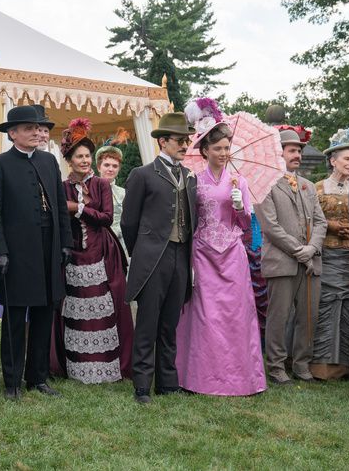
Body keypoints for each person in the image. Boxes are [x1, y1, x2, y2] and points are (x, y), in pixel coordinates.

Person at [0, 104, 72, 399]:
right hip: (16, 253)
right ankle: (12, 382)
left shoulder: (49, 161)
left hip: (48, 249)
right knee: (14, 317)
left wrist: (65, 243)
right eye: (29, 128)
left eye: (39, 128)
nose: (37, 132)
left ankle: (38, 377)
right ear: (12, 133)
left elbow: (60, 205)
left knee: (44, 314)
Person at [174, 121, 266, 396]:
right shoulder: (194, 181)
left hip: (232, 253)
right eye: (218, 148)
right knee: (204, 315)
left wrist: (240, 207)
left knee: (235, 315)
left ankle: (241, 378)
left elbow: (245, 225)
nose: (225, 152)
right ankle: (199, 378)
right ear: (205, 150)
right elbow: (189, 220)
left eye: (227, 147)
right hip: (202, 252)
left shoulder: (241, 182)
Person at [121, 112, 197, 404]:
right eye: (179, 140)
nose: (184, 145)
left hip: (181, 255)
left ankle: (168, 381)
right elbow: (129, 222)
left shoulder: (189, 177)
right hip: (153, 257)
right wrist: (140, 252)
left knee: (170, 323)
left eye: (187, 140)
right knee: (148, 323)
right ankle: (142, 385)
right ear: (163, 141)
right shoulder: (143, 174)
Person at [51, 118, 132, 384]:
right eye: (80, 156)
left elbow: (107, 217)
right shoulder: (62, 188)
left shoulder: (101, 185)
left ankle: (107, 365)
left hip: (102, 253)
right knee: (75, 307)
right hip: (73, 255)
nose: (85, 160)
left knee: (105, 306)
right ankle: (78, 366)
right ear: (70, 160)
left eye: (87, 156)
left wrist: (79, 208)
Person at [255, 129, 326, 384]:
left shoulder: (307, 186)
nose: (297, 155)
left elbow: (320, 222)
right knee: (279, 316)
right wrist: (300, 252)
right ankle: (275, 367)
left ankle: (302, 364)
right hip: (282, 262)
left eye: (299, 151)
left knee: (308, 316)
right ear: (279, 153)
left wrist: (312, 249)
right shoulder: (265, 185)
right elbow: (270, 227)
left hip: (310, 262)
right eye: (292, 151)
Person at [310, 128, 349, 380]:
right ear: (333, 160)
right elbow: (308, 220)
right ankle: (320, 364)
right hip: (326, 256)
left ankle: (345, 365)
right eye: (347, 159)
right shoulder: (317, 188)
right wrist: (330, 225)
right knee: (326, 305)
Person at [95, 129, 129, 255]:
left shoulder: (123, 193)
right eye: (107, 165)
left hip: (122, 247)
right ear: (99, 167)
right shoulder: (89, 190)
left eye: (115, 166)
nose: (111, 169)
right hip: (98, 246)